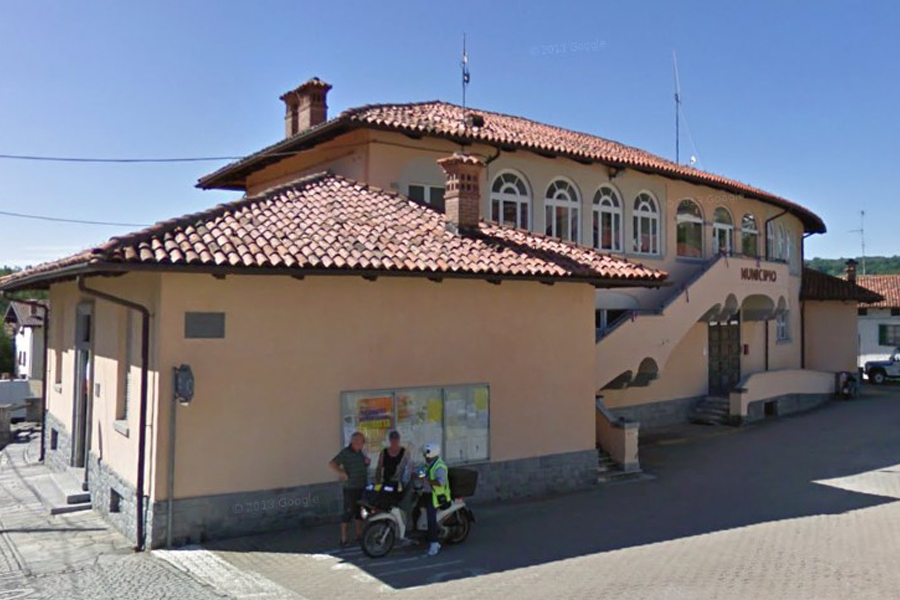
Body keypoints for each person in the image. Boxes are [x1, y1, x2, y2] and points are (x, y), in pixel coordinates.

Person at [328, 431, 370, 546]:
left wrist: (367, 463)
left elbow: (363, 464)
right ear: (355, 442)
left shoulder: (361, 452)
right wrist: (342, 472)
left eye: (363, 441)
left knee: (359, 512)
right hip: (350, 487)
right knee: (348, 512)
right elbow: (332, 464)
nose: (363, 443)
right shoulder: (346, 453)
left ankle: (359, 534)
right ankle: (344, 538)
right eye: (362, 441)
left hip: (361, 486)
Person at [422, 442, 451, 557]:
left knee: (431, 519)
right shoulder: (428, 464)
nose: (424, 456)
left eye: (426, 453)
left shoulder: (440, 466)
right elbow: (421, 472)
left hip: (437, 497)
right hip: (427, 494)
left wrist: (427, 480)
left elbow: (440, 482)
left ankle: (434, 544)